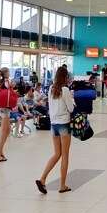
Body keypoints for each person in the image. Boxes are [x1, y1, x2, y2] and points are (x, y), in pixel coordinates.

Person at [36, 67, 74, 195]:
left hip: (54, 125)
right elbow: (71, 108)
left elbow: (50, 107)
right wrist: (73, 101)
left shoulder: (51, 89)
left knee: (56, 154)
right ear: (65, 77)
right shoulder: (65, 90)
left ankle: (42, 179)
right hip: (64, 125)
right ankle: (62, 185)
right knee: (65, 155)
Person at [0, 67, 15, 162]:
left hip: (1, 108)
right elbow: (8, 93)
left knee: (7, 130)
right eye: (8, 72)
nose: (9, 73)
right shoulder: (6, 82)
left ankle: (0, 151)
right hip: (5, 109)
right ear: (6, 73)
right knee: (4, 131)